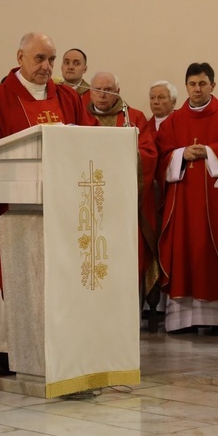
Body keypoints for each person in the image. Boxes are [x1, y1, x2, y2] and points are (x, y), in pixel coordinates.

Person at [0, 32, 97, 374]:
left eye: (51, 59)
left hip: (60, 206)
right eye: (40, 59)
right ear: (20, 57)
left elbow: (86, 139)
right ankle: (7, 350)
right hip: (11, 210)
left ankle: (58, 343)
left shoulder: (66, 97)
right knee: (12, 274)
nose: (47, 67)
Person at [156, 62, 218, 334]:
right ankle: (184, 321)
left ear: (213, 86)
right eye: (192, 84)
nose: (197, 89)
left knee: (214, 253)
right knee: (185, 251)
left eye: (202, 84)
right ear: (186, 86)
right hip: (183, 204)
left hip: (217, 204)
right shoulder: (173, 121)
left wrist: (209, 151)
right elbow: (161, 156)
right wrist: (181, 155)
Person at [87, 71, 159, 300]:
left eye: (108, 90)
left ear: (117, 92)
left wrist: (122, 155)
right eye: (97, 89)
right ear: (90, 91)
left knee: (126, 256)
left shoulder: (134, 117)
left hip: (125, 202)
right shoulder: (80, 117)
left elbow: (149, 154)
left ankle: (127, 307)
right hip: (89, 201)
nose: (102, 95)